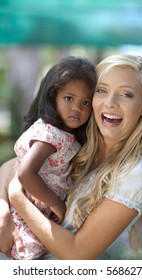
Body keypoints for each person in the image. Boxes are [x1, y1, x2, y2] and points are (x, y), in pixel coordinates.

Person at [0, 54, 142, 260]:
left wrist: (16, 197)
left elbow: (77, 254)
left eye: (127, 94)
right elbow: (10, 165)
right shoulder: (76, 143)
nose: (111, 102)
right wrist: (3, 210)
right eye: (102, 90)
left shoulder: (136, 173)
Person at [0, 56, 96, 260]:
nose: (77, 108)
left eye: (85, 102)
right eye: (69, 98)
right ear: (53, 98)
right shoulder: (50, 135)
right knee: (26, 255)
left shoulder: (64, 135)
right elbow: (26, 173)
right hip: (26, 213)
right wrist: (56, 204)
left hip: (34, 210)